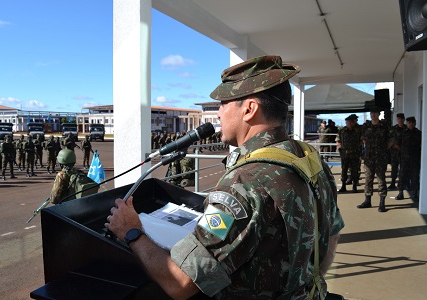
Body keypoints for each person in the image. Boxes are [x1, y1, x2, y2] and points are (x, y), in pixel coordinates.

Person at [105, 55, 344, 299]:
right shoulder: (309, 159)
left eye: (222, 104)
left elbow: (179, 281)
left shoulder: (244, 182)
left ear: (249, 109)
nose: (218, 113)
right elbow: (332, 234)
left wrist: (132, 231)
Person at [357, 106, 390, 212]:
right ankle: (367, 201)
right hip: (369, 158)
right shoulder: (366, 126)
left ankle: (382, 203)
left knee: (381, 180)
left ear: (378, 114)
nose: (373, 114)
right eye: (371, 113)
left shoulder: (384, 126)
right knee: (368, 180)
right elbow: (362, 139)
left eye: (375, 113)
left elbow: (391, 139)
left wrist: (384, 149)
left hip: (381, 158)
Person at [395, 116, 422, 203]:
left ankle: (414, 193)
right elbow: (397, 144)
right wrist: (403, 151)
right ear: (406, 123)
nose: (410, 124)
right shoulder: (403, 133)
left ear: (415, 123)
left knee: (414, 176)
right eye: (409, 123)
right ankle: (400, 193)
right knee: (402, 176)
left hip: (415, 158)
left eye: (412, 122)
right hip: (404, 159)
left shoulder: (419, 133)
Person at [336, 115, 362, 193]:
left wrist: (357, 146)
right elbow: (338, 140)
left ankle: (354, 186)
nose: (349, 124)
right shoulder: (342, 131)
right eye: (347, 122)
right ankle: (343, 186)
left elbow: (362, 139)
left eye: (350, 122)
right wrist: (341, 148)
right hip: (345, 154)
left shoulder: (358, 131)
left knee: (355, 170)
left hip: (355, 154)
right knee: (344, 170)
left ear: (353, 123)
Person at [388, 113, 406, 190]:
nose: (400, 120)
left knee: (403, 169)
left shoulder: (406, 129)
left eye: (401, 119)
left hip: (404, 153)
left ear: (404, 119)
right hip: (394, 152)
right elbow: (389, 139)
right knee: (394, 168)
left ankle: (401, 184)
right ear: (397, 119)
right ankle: (392, 183)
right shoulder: (393, 129)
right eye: (399, 119)